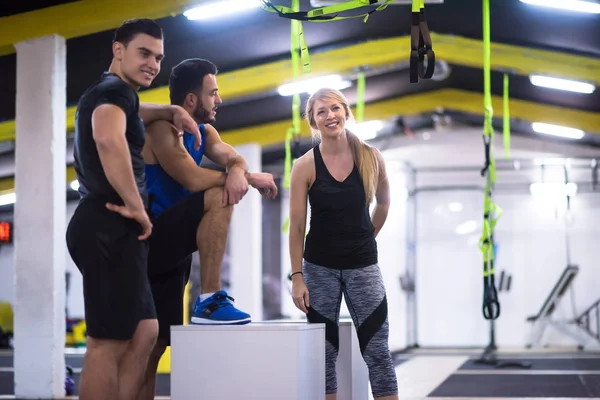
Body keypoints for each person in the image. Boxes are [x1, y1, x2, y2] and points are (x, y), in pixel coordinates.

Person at [65, 19, 200, 400]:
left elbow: (126, 113)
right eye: (144, 53)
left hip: (109, 226)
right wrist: (137, 206)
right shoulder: (116, 92)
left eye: (158, 57)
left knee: (145, 332)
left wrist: (169, 111)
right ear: (118, 50)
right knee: (107, 343)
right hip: (109, 221)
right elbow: (108, 139)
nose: (153, 63)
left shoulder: (110, 92)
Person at [136, 58, 278, 400]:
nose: (219, 100)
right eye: (213, 93)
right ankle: (210, 300)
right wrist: (245, 178)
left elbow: (233, 157)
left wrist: (241, 170)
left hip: (176, 253)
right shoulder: (161, 129)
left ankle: (208, 302)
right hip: (149, 242)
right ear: (190, 101)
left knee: (157, 347)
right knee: (218, 193)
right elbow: (192, 177)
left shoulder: (207, 132)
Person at [288, 88, 399, 400]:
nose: (329, 116)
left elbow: (384, 204)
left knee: (377, 350)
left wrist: (365, 239)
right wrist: (297, 277)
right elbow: (297, 226)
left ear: (346, 112)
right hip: (318, 267)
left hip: (363, 265)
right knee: (323, 353)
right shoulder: (304, 166)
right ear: (313, 120)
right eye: (321, 111)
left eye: (335, 108)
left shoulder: (371, 157)